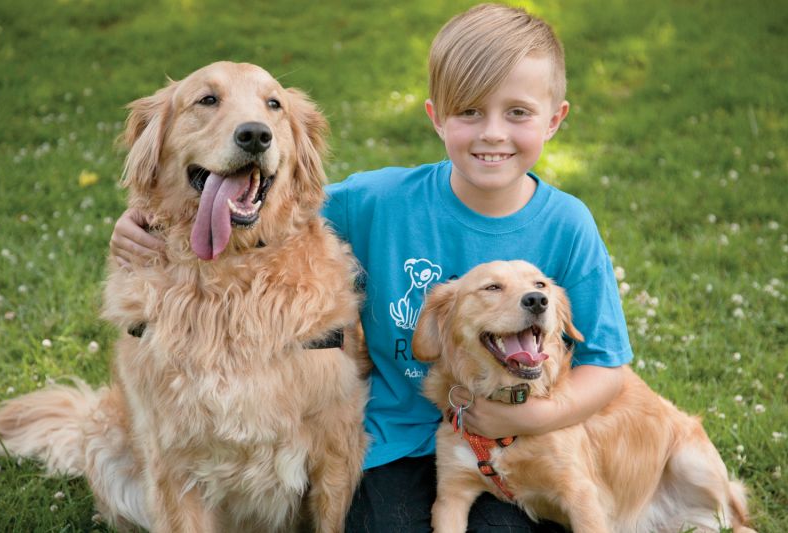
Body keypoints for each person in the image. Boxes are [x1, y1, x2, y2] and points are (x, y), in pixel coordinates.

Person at [110, 4, 633, 531]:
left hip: (514, 442)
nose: (492, 133)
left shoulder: (569, 224)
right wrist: (138, 222)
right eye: (470, 112)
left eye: (517, 113)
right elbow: (282, 206)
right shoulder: (380, 201)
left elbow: (607, 363)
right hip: (398, 439)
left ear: (555, 119)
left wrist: (530, 417)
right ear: (436, 116)